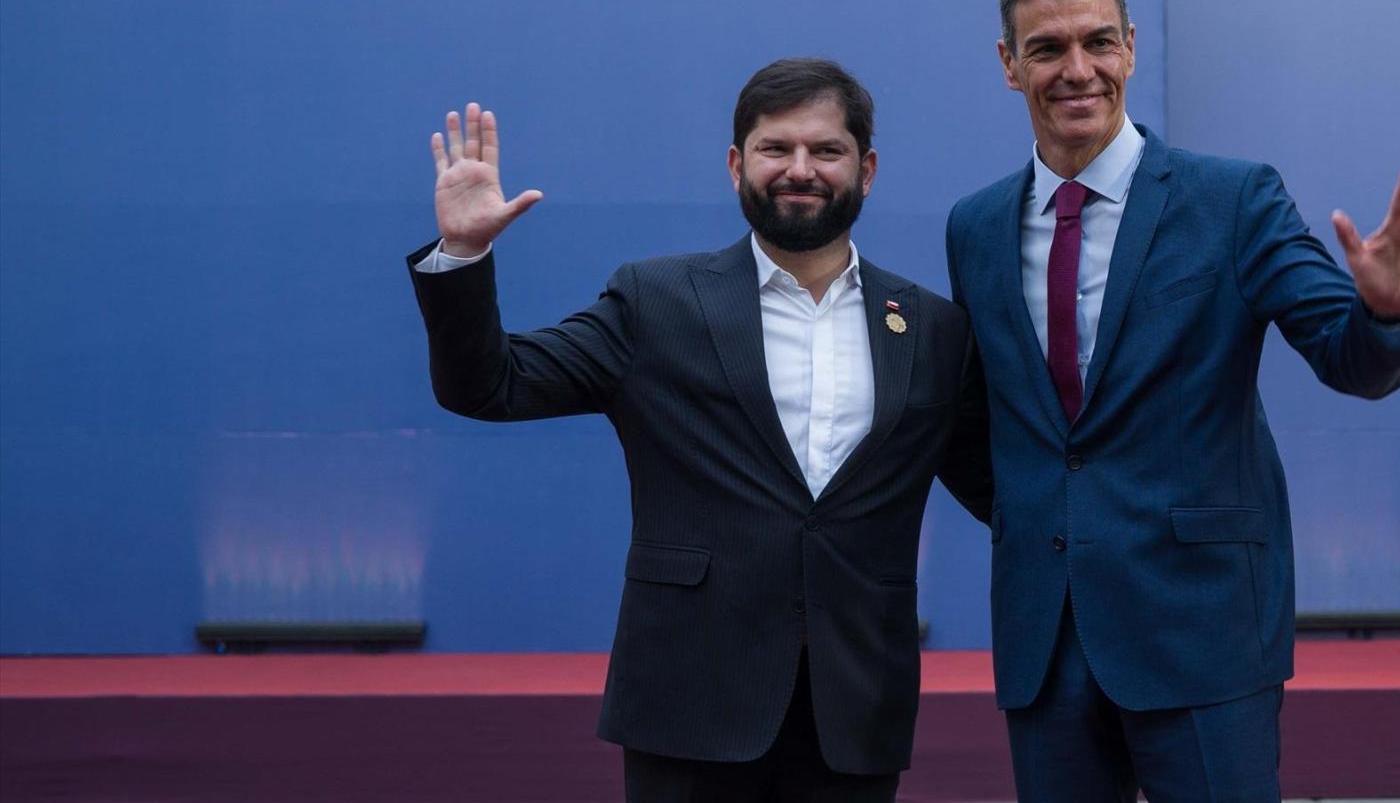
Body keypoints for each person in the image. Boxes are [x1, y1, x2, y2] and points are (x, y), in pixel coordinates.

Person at [944, 0, 1400, 801]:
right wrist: (1042, 516)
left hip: (1203, 629)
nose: (1077, 70)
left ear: (1132, 48)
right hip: (1045, 638)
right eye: (1047, 49)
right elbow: (973, 421)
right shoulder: (973, 227)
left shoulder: (1235, 200)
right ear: (1009, 64)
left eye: (1098, 42)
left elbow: (1348, 359)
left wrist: (1385, 315)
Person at [408, 58, 989, 802]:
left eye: (826, 151)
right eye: (776, 149)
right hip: (689, 705)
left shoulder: (934, 331)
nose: (799, 170)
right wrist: (464, 253)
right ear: (736, 164)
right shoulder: (657, 302)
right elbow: (490, 386)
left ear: (866, 169)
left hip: (855, 713)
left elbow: (1001, 489)